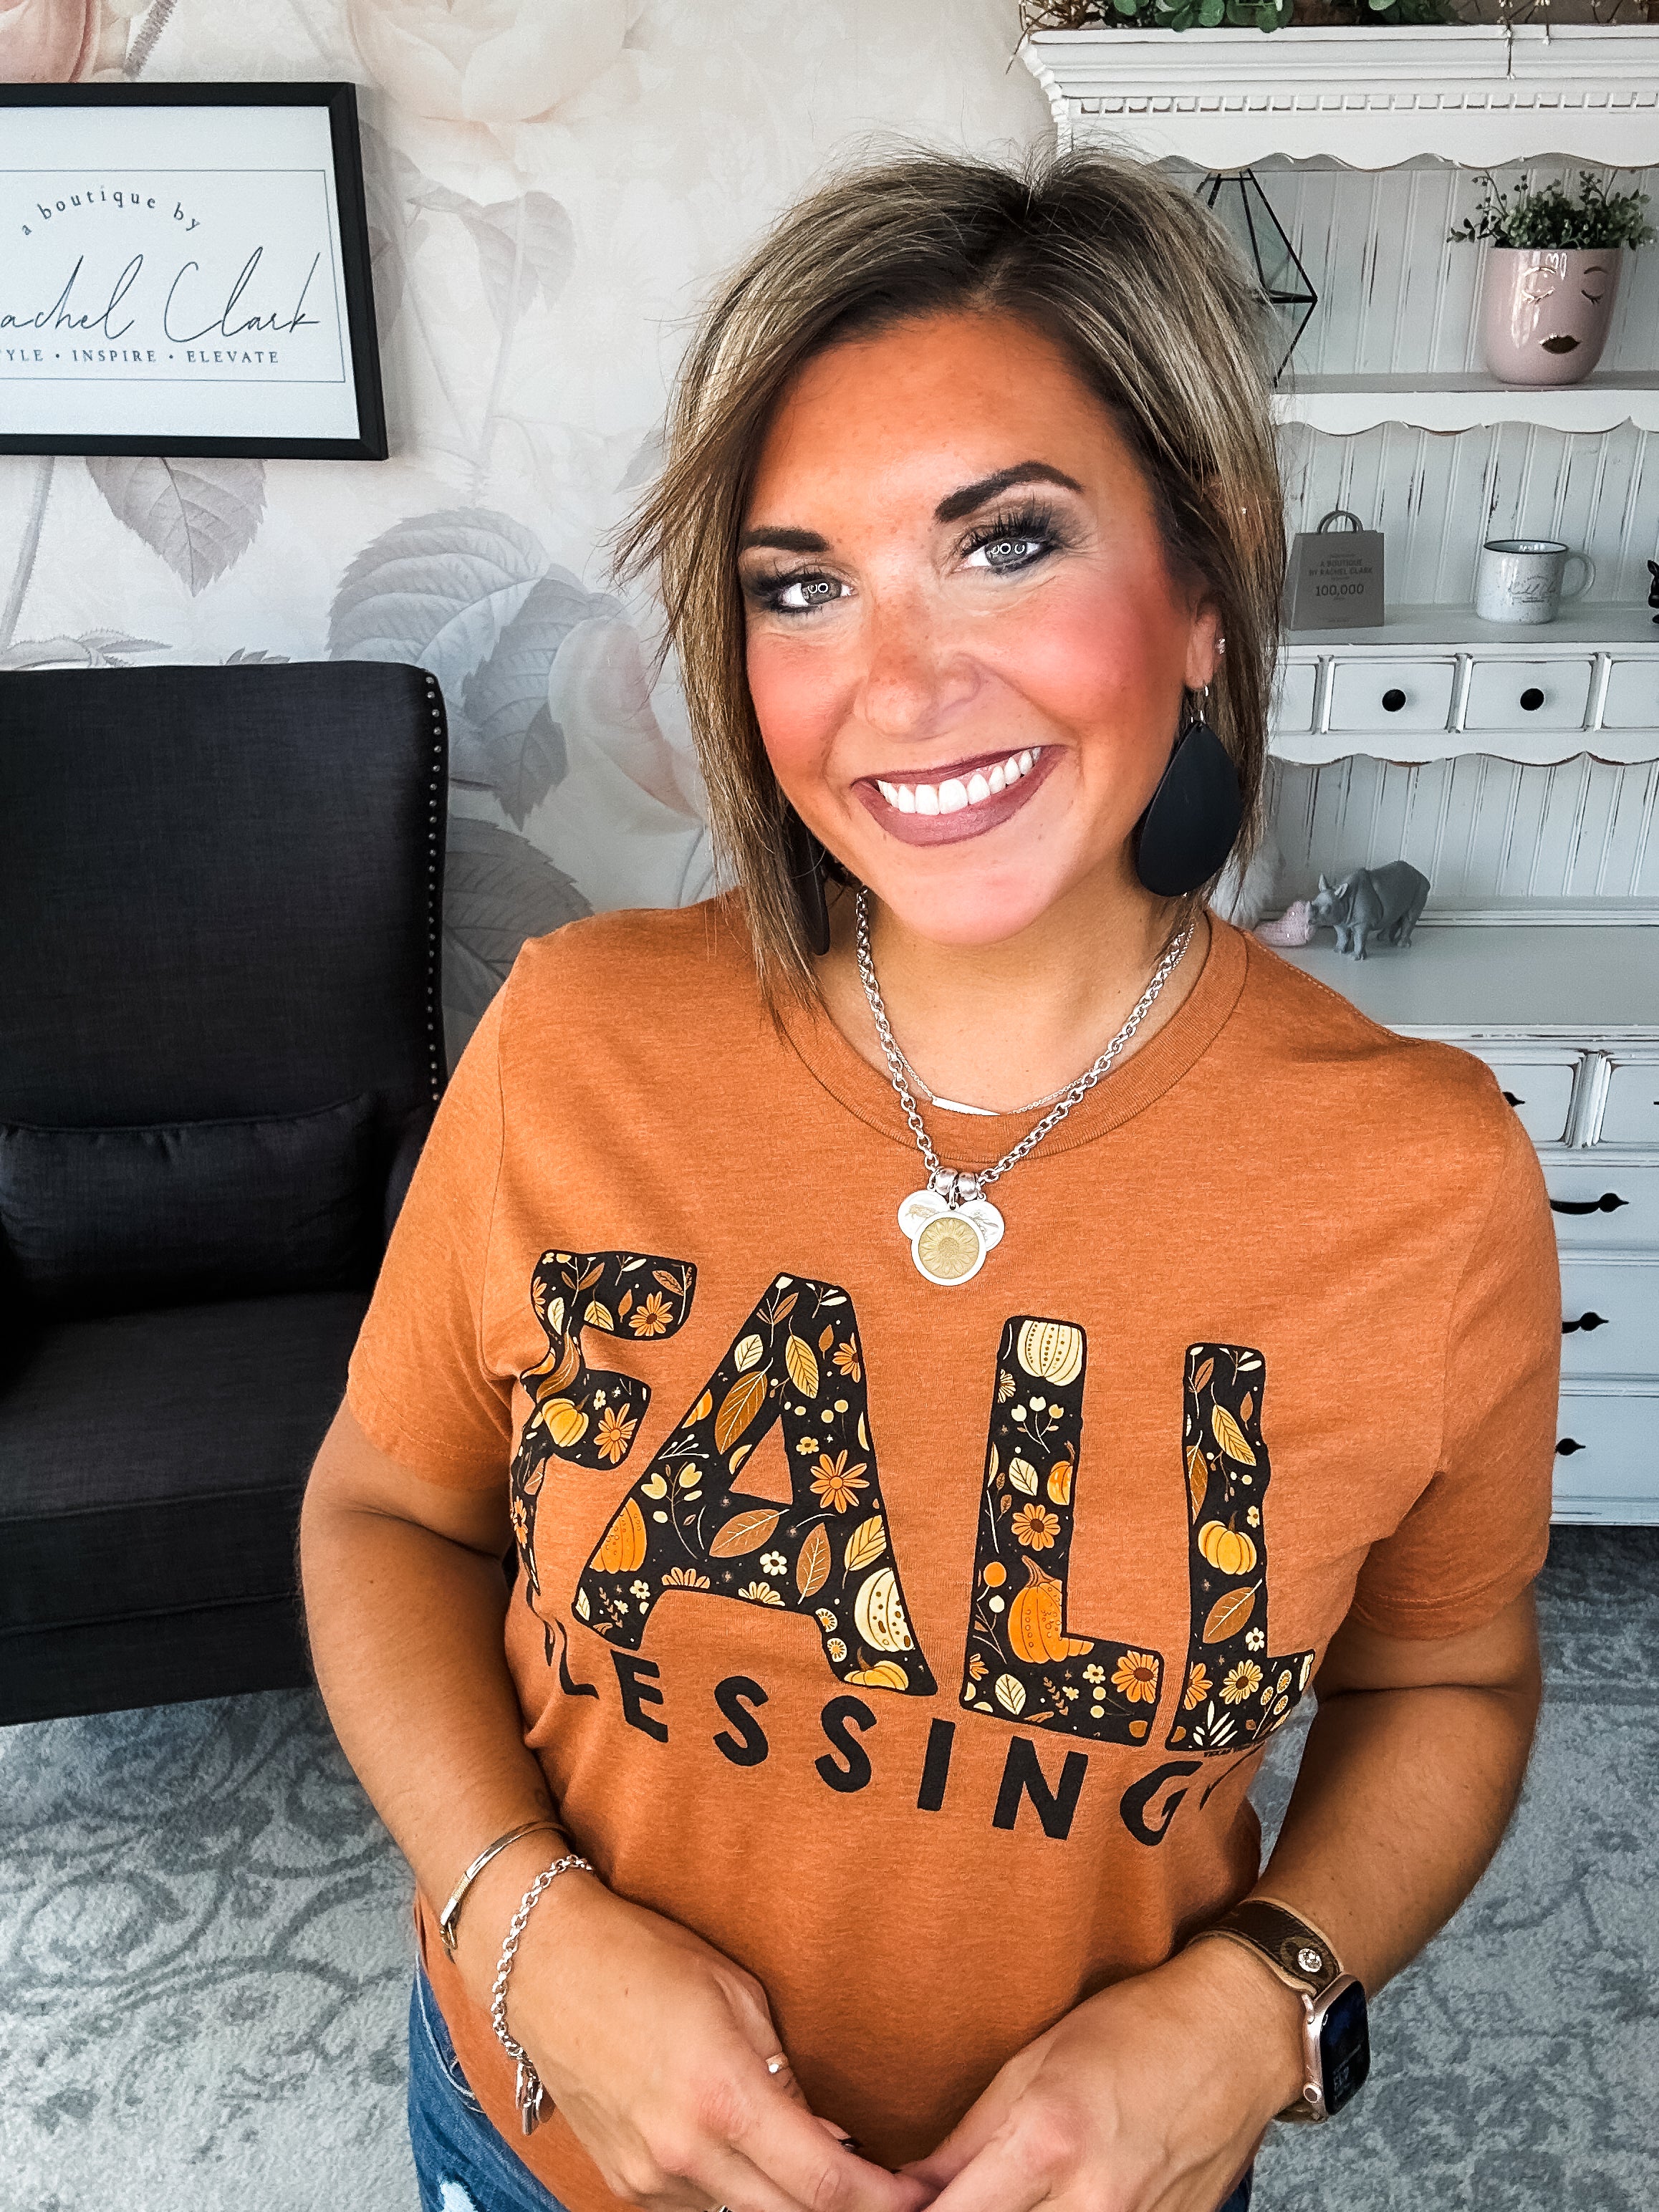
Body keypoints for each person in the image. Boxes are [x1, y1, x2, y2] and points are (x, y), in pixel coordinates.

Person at [300, 148, 1559, 2212]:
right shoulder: (574, 1042)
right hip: (543, 2143)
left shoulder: (1419, 1184)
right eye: (801, 585)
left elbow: (1448, 1670)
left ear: (1202, 580)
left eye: (1003, 546)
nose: (893, 691)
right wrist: (520, 1919)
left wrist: (1264, 1999)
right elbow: (381, 1511)